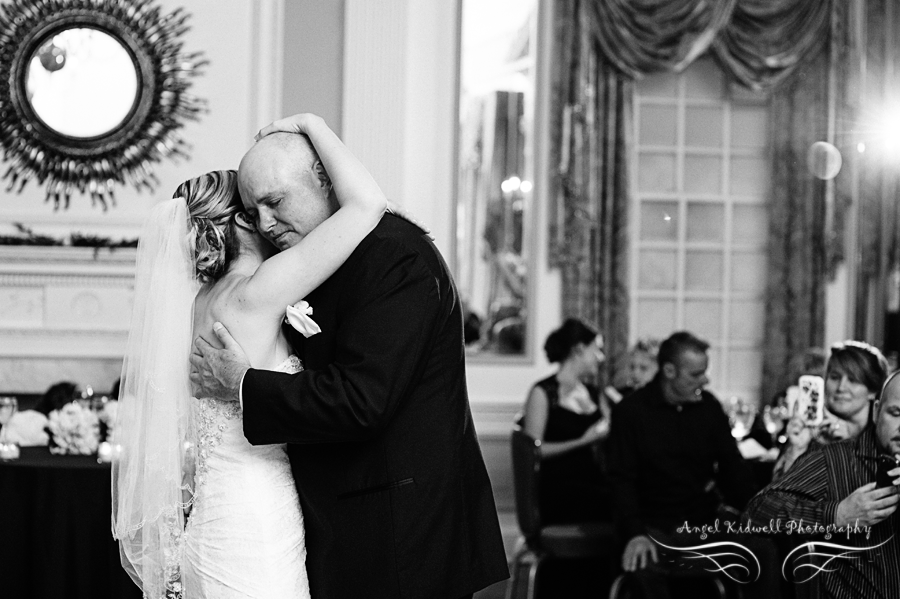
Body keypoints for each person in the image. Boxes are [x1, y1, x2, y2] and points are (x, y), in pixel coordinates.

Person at [188, 114, 509, 599]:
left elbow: (361, 400)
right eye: (253, 213)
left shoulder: (394, 256)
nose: (266, 224)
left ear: (324, 178)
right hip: (343, 524)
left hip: (400, 532)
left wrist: (241, 381)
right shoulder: (315, 259)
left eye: (275, 202)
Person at [112, 115, 388, 598]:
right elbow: (367, 204)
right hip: (254, 522)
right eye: (254, 207)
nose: (269, 220)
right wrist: (311, 126)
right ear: (240, 219)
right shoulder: (258, 290)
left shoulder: (198, 301)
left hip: (210, 523)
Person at [607, 331, 779, 598]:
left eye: (704, 372)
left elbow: (732, 469)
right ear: (669, 371)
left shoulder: (708, 408)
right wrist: (634, 533)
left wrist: (757, 511)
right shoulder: (631, 412)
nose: (705, 380)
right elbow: (621, 480)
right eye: (696, 374)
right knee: (643, 562)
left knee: (762, 548)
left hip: (701, 522)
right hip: (653, 524)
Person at [743, 371, 900, 599]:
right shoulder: (835, 460)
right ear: (876, 411)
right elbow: (754, 514)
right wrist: (837, 515)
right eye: (896, 413)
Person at [522, 318, 610, 524]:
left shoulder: (593, 392)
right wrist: (583, 441)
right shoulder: (543, 393)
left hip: (592, 480)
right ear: (579, 350)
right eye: (596, 350)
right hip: (560, 488)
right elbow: (534, 450)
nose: (601, 357)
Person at [774, 341, 888, 478]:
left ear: (872, 390)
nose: (841, 387)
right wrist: (796, 449)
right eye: (835, 377)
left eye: (853, 380)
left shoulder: (882, 439)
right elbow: (774, 494)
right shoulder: (810, 432)